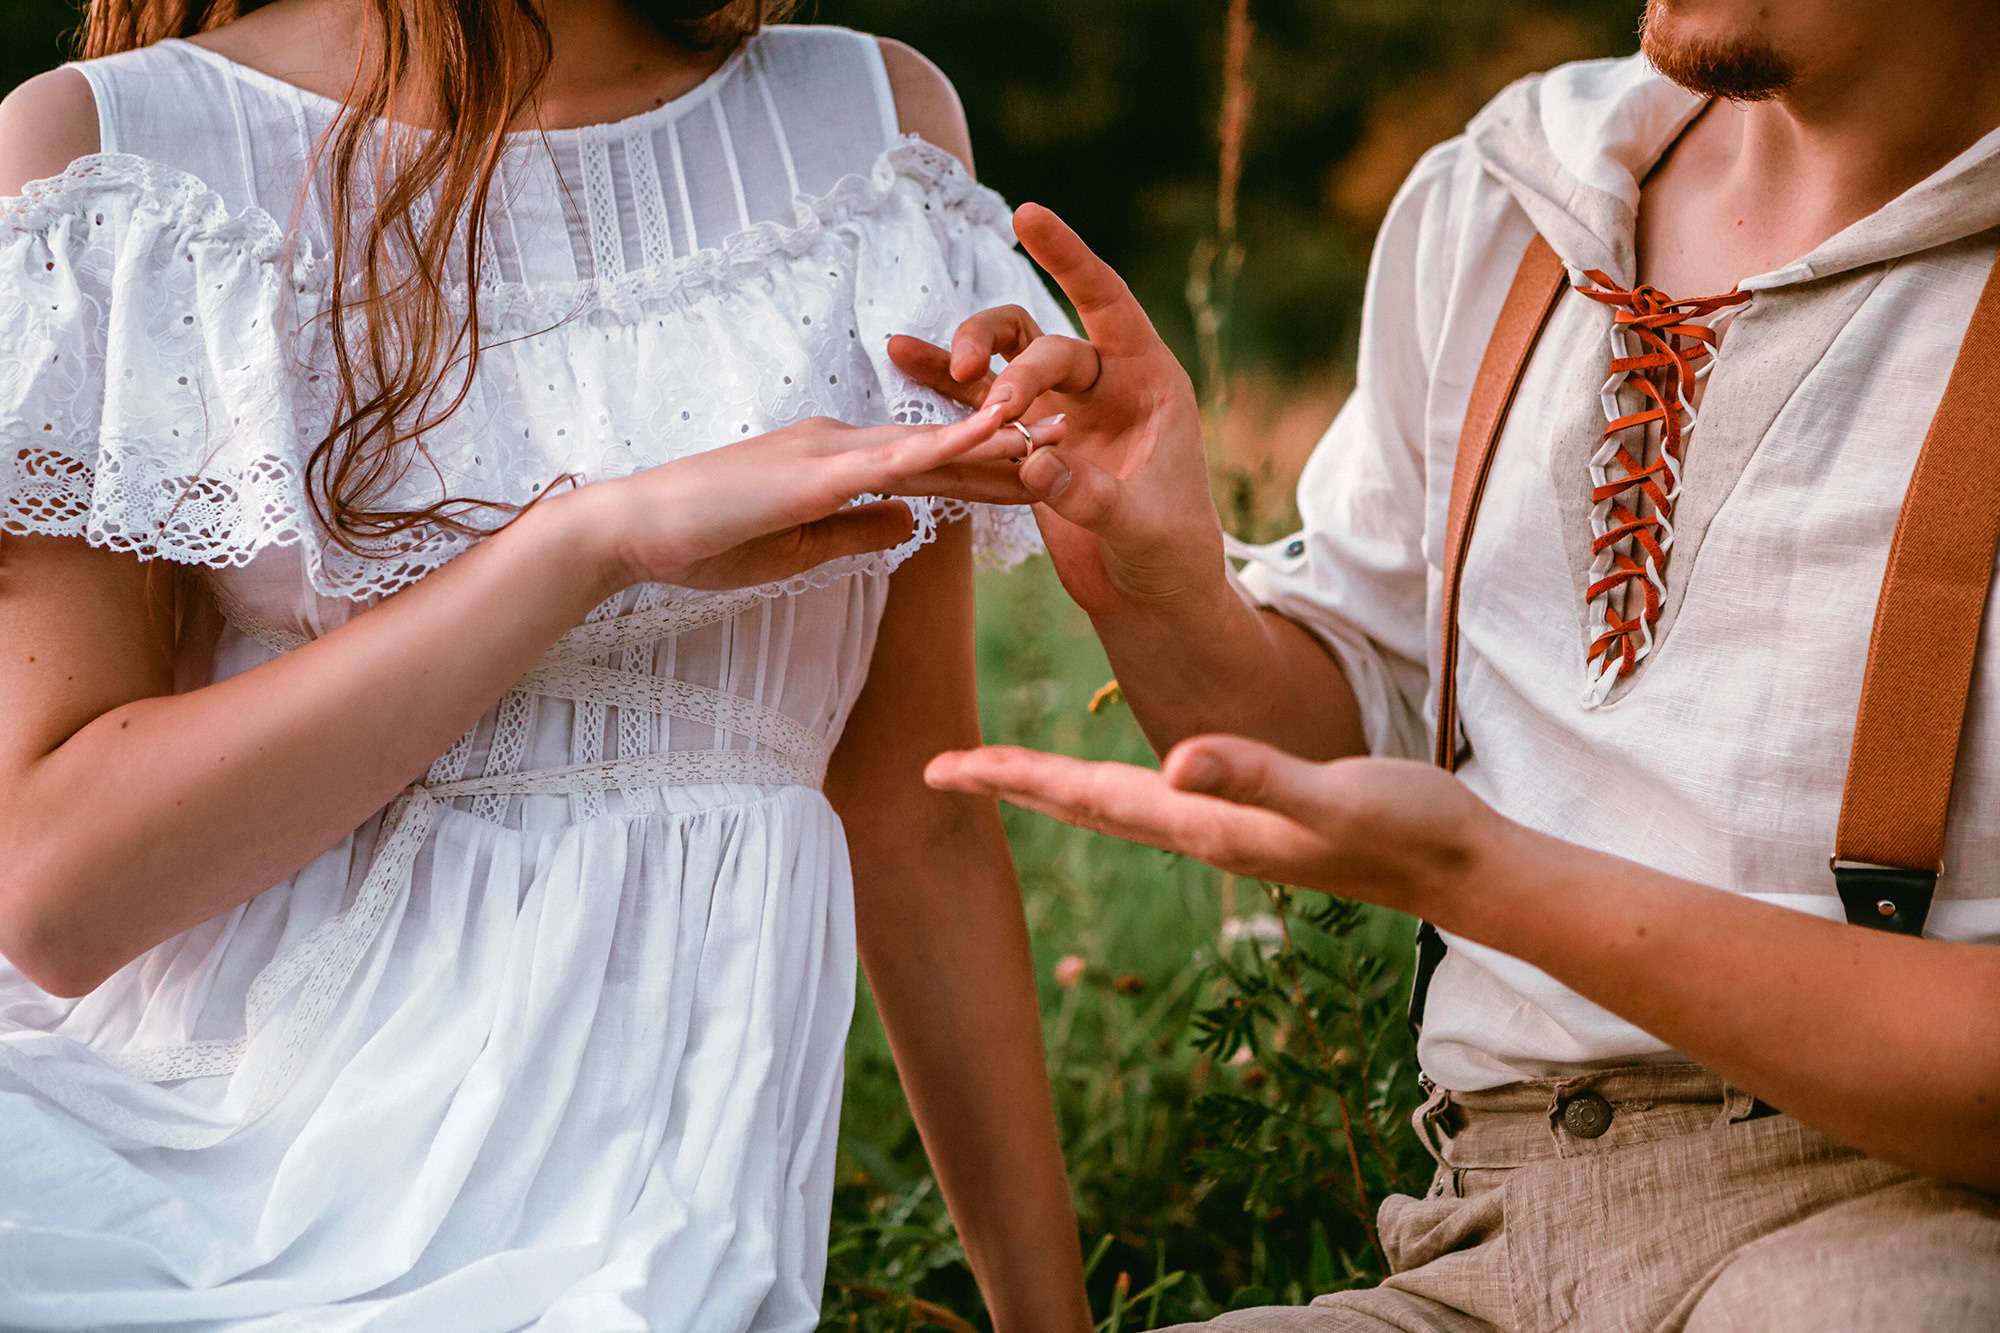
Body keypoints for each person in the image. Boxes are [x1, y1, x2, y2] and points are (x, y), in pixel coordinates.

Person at [905, 0, 2000, 1326]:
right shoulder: (1505, 195)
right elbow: (1321, 741)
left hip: (1887, 1232)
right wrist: (1166, 584)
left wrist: (1482, 874)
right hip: (1471, 1242)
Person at [0, 1, 1090, 1329]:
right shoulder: (120, 153)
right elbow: (56, 891)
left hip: (656, 1225)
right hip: (190, 1172)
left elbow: (915, 813)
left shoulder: (871, 131)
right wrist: (585, 543)